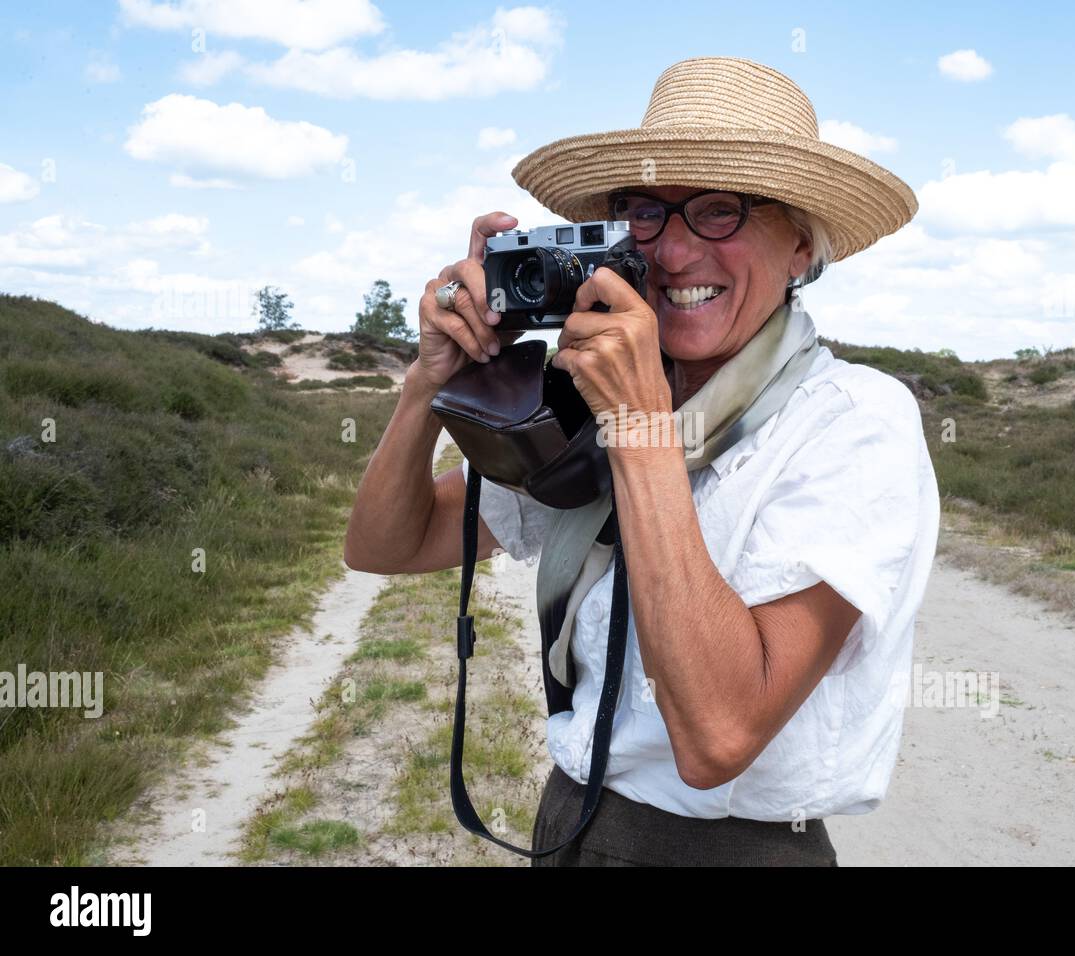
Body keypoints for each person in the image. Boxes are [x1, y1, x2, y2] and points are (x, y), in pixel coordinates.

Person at [344, 56, 940, 866]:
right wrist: (428, 385)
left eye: (720, 212)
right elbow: (386, 544)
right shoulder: (598, 401)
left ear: (801, 244)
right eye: (646, 216)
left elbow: (719, 736)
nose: (675, 253)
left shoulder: (851, 420)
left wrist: (640, 428)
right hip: (573, 823)